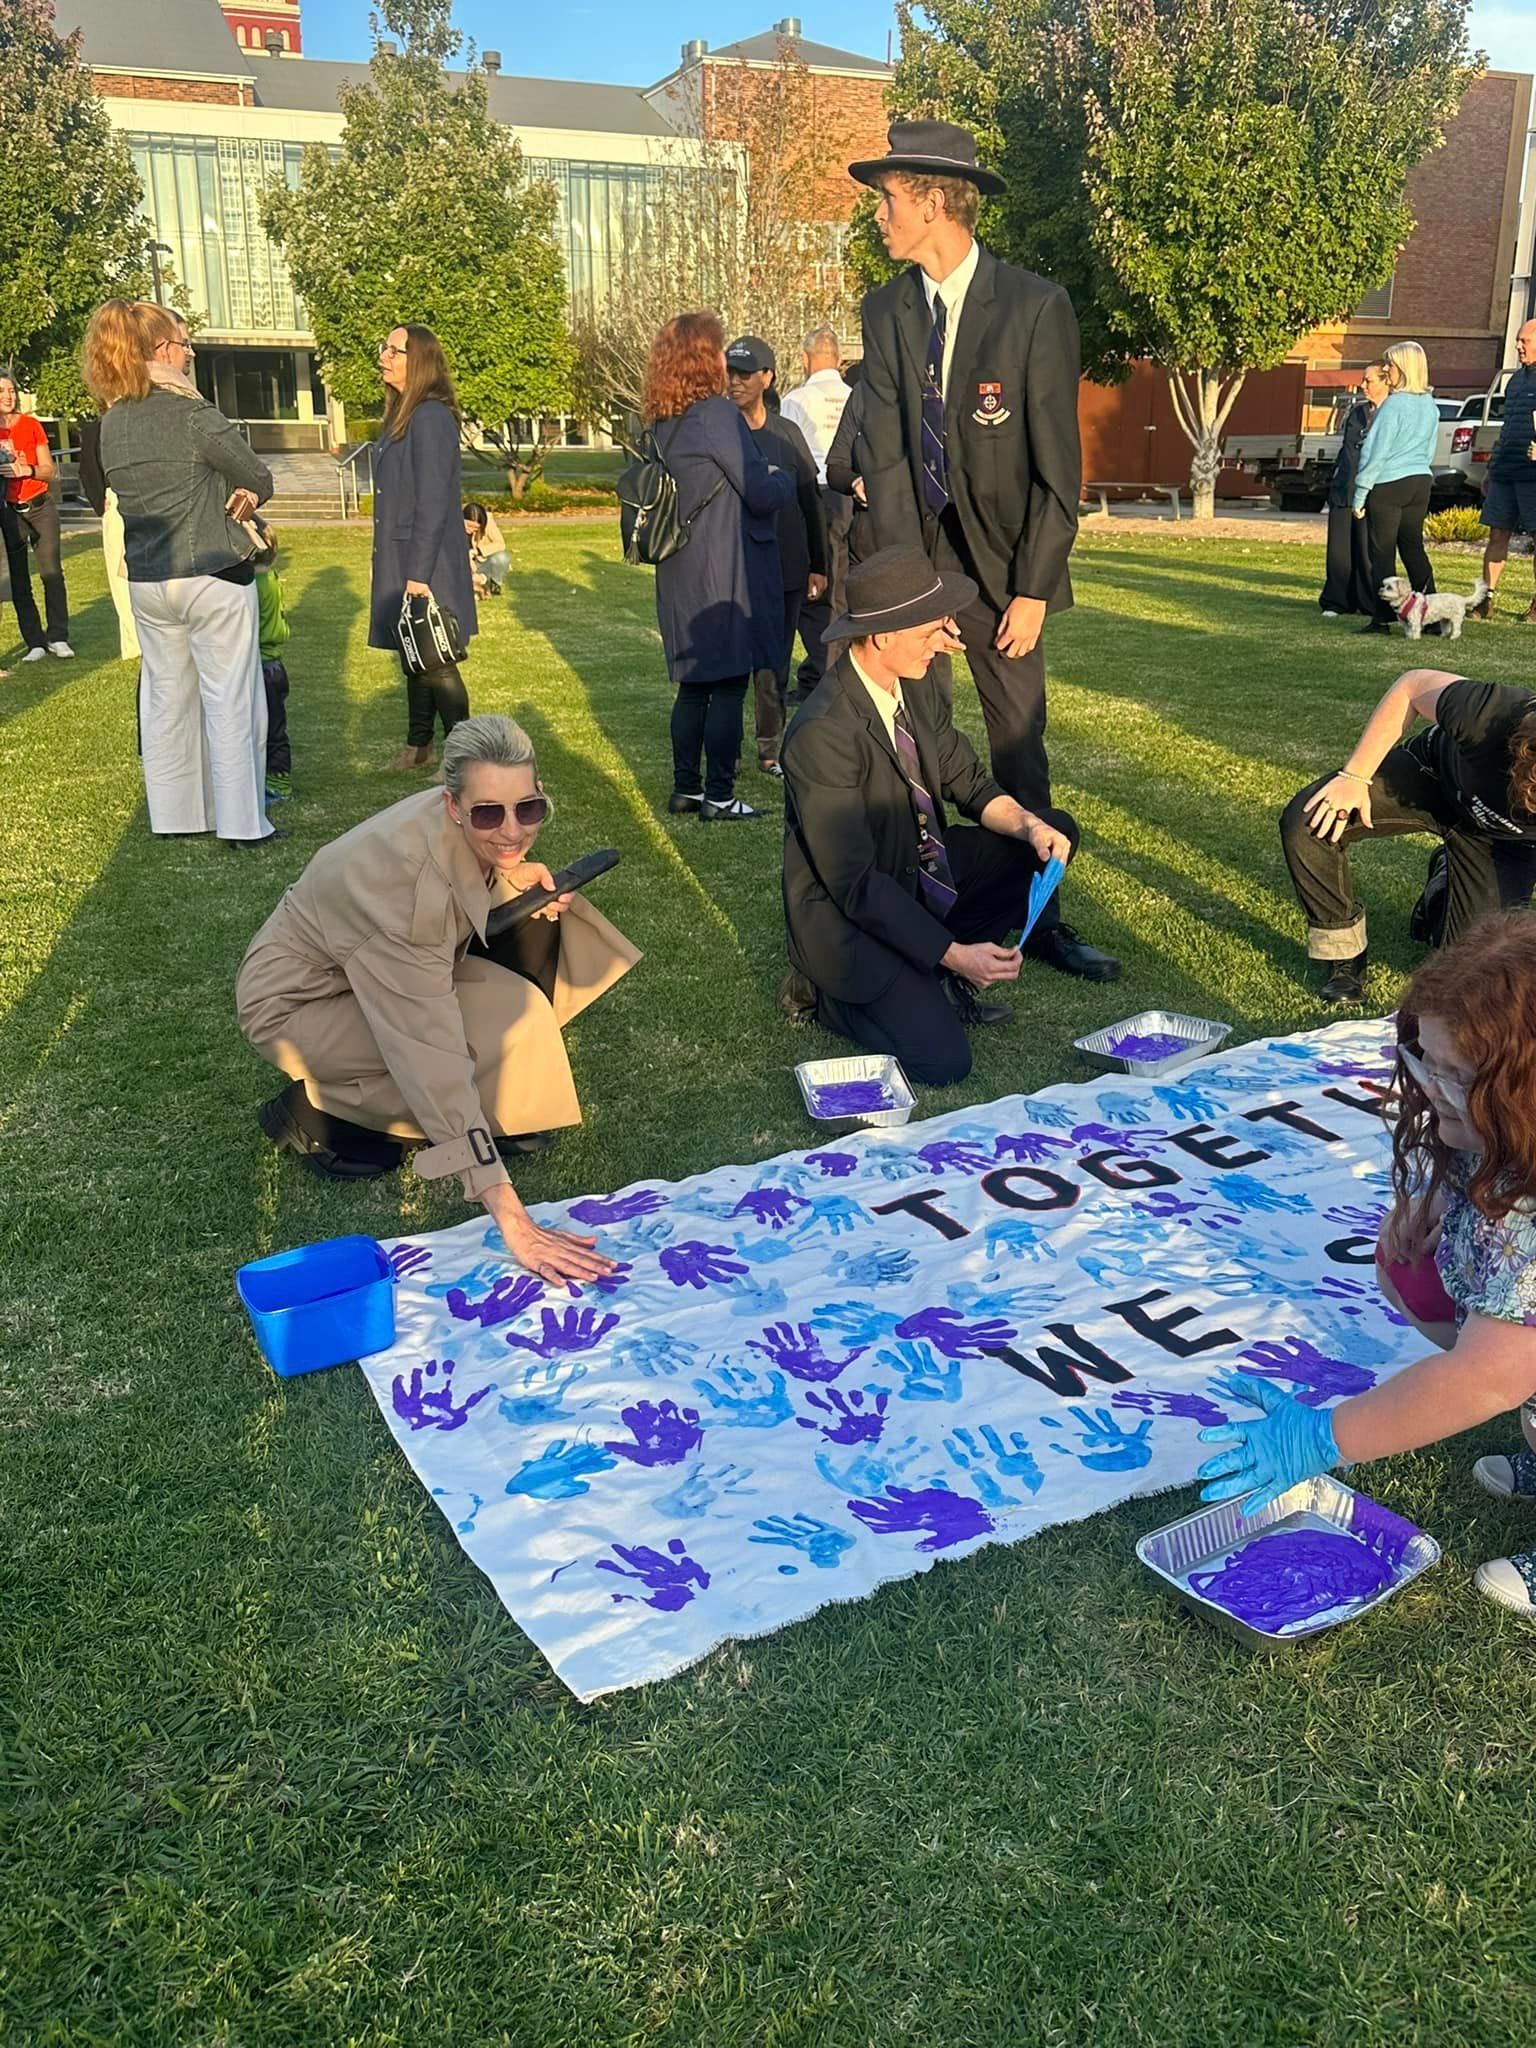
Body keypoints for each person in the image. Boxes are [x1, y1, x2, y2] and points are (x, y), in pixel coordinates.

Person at [1197, 912, 1536, 1624]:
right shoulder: (1505, 1136)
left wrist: (1325, 1437)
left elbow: (1485, 1377)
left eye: (1457, 1076)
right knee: (1411, 1269)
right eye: (1424, 1062)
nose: (1431, 1087)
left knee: (1501, 1363)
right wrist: (1430, 1213)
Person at [850, 120, 1119, 983]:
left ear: (934, 201)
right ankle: (915, 911)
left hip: (1006, 576)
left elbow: (1057, 469)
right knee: (914, 736)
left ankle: (1036, 917)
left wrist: (1035, 589)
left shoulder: (1035, 306)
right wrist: (902, 593)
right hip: (921, 564)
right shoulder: (886, 309)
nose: (878, 215)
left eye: (887, 199)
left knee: (1016, 744)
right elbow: (887, 455)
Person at [237, 713, 639, 1285]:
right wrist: (512, 1218)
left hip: (373, 968)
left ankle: (465, 1121)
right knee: (458, 1049)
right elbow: (431, 1056)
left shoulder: (454, 822)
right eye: (487, 814)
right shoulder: (406, 895)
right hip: (296, 1007)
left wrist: (507, 877)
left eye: (528, 809)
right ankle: (316, 1114)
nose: (511, 830)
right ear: (452, 806)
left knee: (517, 1001)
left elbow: (465, 870)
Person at [778, 545, 1079, 1085]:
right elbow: (857, 886)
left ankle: (939, 960)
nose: (943, 644)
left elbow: (968, 780)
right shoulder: (822, 733)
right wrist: (955, 956)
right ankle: (821, 993)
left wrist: (1031, 826)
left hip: (916, 867)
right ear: (881, 636)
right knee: (942, 1063)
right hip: (853, 916)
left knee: (1049, 832)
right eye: (929, 632)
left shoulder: (913, 687)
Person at [86, 301, 277, 848]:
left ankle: (174, 814)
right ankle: (242, 821)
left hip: (147, 579)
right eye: (185, 344)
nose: (190, 353)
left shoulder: (112, 421)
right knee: (231, 699)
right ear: (162, 351)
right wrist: (247, 494)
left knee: (166, 700)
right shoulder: (193, 413)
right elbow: (257, 473)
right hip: (212, 572)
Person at [1278, 666, 1536, 1005]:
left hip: (1504, 842)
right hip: (1432, 779)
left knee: (1479, 969)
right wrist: (1354, 778)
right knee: (1311, 820)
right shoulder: (1492, 712)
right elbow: (1411, 686)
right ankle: (1343, 954)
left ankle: (1443, 887)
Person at [642, 311, 795, 822]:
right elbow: (756, 489)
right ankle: (720, 794)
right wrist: (782, 477)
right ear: (703, 357)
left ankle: (686, 787)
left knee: (693, 685)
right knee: (728, 682)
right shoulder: (715, 414)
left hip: (678, 566)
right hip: (721, 563)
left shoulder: (663, 420)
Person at [369, 325, 476, 772]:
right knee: (413, 650)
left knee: (436, 658)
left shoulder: (430, 417)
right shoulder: (405, 414)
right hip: (404, 554)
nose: (383, 357)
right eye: (385, 348)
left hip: (423, 558)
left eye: (394, 351)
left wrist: (419, 574)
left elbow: (434, 500)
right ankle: (418, 747)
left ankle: (465, 757)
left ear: (420, 361)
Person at [724, 334, 828, 778]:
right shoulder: (718, 432)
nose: (735, 382)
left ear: (767, 377)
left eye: (744, 374)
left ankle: (770, 749)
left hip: (785, 567)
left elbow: (810, 499)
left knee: (774, 663)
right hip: (731, 568)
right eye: (729, 373)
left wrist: (819, 564)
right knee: (728, 665)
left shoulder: (787, 434)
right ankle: (726, 748)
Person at [780, 327, 854, 699]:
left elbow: (786, 453)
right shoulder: (855, 397)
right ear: (839, 359)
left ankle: (826, 670)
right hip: (852, 496)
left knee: (815, 592)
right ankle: (822, 671)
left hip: (815, 493)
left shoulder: (798, 399)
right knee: (843, 588)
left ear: (805, 358)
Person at [1352, 340, 1439, 634]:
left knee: (1382, 552)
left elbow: (1376, 452)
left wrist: (1360, 493)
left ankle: (1382, 618)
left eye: (1389, 363)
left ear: (1402, 367)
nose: (1386, 368)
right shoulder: (1429, 405)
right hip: (1420, 481)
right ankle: (1432, 615)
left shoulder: (1393, 405)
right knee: (1413, 548)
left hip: (1389, 483)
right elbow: (1429, 449)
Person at [0, 373, 73, 660]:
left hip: (40, 505)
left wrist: (25, 470)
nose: (8, 395)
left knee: (51, 573)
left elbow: (49, 470)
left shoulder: (30, 425)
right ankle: (35, 643)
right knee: (19, 580)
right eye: (1, 391)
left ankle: (58, 636)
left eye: (11, 390)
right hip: (9, 513)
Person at [1469, 318, 1536, 625]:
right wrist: (1491, 468)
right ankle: (1486, 599)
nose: (1518, 346)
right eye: (1518, 341)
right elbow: (1506, 428)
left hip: (1532, 475)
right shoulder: (1516, 381)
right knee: (1497, 533)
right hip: (1505, 470)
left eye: (1525, 341)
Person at [1319, 365, 1386, 617]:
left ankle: (1368, 602)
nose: (1363, 386)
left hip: (1374, 491)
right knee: (1339, 549)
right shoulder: (1357, 413)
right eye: (1363, 380)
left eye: (1368, 381)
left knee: (1366, 549)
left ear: (1385, 382)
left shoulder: (1391, 413)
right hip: (1344, 487)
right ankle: (1336, 601)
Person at [77, 412, 140, 661]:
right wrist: (99, 504)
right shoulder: (97, 429)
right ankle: (134, 642)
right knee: (119, 572)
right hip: (114, 500)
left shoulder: (139, 419)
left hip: (144, 498)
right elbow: (87, 469)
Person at [243, 518, 292, 798]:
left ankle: (279, 783)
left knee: (272, 729)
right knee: (274, 725)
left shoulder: (255, 584)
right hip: (274, 665)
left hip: (263, 665)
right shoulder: (271, 577)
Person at [463, 501, 510, 597]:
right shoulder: (453, 524)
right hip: (462, 565)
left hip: (481, 562)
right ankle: (477, 582)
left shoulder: (488, 521)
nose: (471, 530)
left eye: (476, 528)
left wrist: (477, 551)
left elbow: (500, 544)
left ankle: (493, 583)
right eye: (468, 525)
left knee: (502, 557)